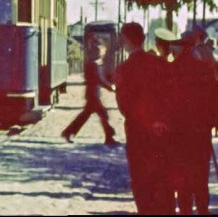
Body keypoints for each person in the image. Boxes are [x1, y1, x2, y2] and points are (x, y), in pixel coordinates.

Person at [115, 22, 174, 215]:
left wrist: (147, 121)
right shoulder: (159, 64)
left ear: (126, 41)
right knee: (162, 179)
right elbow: (169, 96)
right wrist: (160, 120)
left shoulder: (124, 69)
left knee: (141, 181)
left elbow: (125, 106)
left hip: (137, 132)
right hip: (161, 132)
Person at [166, 31, 218, 215]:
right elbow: (214, 99)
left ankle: (185, 209)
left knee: (181, 172)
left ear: (179, 47)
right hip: (200, 129)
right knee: (200, 171)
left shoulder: (171, 70)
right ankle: (203, 208)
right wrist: (213, 122)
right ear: (192, 48)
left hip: (177, 131)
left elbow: (166, 102)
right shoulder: (204, 70)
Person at [61, 36, 118, 145]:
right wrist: (109, 87)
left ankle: (68, 132)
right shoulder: (92, 64)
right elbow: (98, 79)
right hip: (93, 95)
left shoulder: (95, 63)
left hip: (93, 95)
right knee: (102, 114)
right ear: (97, 51)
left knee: (86, 116)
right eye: (101, 50)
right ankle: (109, 137)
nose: (103, 53)